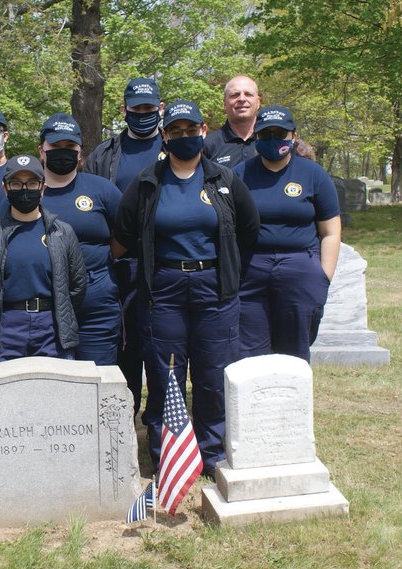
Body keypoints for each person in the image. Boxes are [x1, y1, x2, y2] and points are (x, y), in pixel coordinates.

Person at [113, 100, 259, 477]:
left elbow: (248, 229)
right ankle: (169, 457)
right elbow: (125, 232)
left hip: (215, 289)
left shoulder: (224, 181)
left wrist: (226, 271)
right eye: (175, 131)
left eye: (190, 130)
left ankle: (211, 454)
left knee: (213, 374)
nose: (183, 137)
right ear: (164, 136)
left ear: (203, 131)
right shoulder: (147, 183)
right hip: (164, 290)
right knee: (166, 375)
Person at [232, 106, 341, 362]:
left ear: (293, 135)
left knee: (294, 350)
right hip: (251, 269)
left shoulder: (313, 174)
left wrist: (322, 277)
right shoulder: (240, 174)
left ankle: (291, 401)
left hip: (300, 266)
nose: (272, 139)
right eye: (265, 133)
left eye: (279, 133)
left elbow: (331, 231)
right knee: (248, 350)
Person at [85, 78, 166, 409]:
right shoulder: (103, 155)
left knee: (162, 348)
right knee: (125, 350)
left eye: (149, 108)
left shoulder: (177, 145)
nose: (143, 114)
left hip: (164, 266)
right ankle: (122, 425)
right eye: (136, 109)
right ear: (124, 110)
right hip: (120, 266)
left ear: (160, 109)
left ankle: (160, 427)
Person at [0, 154, 87, 364]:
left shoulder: (62, 232)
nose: (24, 189)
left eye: (32, 183)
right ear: (5, 188)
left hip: (51, 325)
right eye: (16, 183)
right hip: (5, 326)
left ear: (43, 187)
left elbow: (77, 285)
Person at [38, 113, 122, 365]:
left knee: (97, 377)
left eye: (69, 147)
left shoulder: (102, 189)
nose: (62, 152)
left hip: (96, 300)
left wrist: (100, 263)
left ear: (80, 151)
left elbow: (125, 235)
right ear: (41, 150)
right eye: (55, 147)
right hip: (45, 301)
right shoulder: (28, 191)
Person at [204, 75, 261, 168]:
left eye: (248, 94)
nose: (242, 99)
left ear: (258, 102)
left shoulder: (270, 139)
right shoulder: (208, 145)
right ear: (224, 104)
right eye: (235, 95)